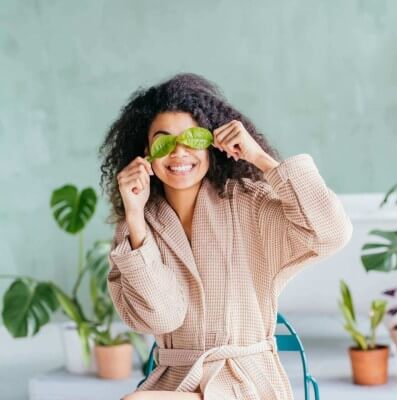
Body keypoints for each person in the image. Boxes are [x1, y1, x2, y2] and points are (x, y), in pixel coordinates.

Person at [98, 73, 353, 399]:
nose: (179, 152)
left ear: (211, 144)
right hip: (179, 383)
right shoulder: (137, 226)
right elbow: (162, 316)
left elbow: (331, 232)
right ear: (145, 153)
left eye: (192, 139)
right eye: (164, 142)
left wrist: (260, 158)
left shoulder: (250, 204)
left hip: (248, 383)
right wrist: (134, 217)